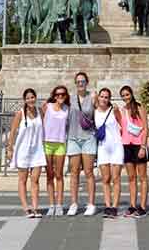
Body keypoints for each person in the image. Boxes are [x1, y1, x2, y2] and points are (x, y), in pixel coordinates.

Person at [6, 88, 45, 218]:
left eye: (32, 97)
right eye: (28, 98)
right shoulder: (20, 114)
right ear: (24, 100)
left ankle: (35, 207)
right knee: (23, 179)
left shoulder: (40, 111)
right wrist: (10, 148)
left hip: (37, 149)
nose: (30, 100)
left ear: (35, 98)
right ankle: (26, 207)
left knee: (35, 179)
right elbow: (12, 131)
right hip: (23, 150)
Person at [66, 71, 97, 216]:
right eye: (78, 81)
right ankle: (74, 203)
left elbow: (101, 111)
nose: (80, 84)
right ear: (75, 83)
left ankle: (91, 203)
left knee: (89, 172)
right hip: (73, 138)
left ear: (87, 82)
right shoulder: (70, 98)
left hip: (88, 138)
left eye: (83, 81)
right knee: (74, 172)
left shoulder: (93, 97)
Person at [119, 85, 149, 217]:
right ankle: (132, 205)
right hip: (126, 145)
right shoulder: (122, 110)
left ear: (131, 94)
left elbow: (146, 128)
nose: (126, 97)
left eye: (127, 94)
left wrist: (143, 146)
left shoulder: (139, 107)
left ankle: (142, 207)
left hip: (139, 145)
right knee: (131, 177)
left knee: (142, 177)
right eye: (123, 95)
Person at [94, 88, 123, 218]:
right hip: (103, 148)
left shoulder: (114, 110)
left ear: (109, 99)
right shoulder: (94, 112)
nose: (104, 99)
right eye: (102, 96)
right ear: (98, 98)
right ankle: (108, 205)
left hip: (116, 146)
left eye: (106, 97)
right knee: (105, 179)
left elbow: (122, 123)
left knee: (116, 178)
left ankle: (115, 207)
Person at [42, 85, 70, 216]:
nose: (60, 96)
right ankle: (51, 204)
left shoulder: (67, 109)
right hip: (47, 143)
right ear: (54, 96)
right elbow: (38, 121)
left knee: (59, 175)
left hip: (60, 144)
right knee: (49, 175)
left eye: (63, 94)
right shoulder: (47, 106)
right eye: (58, 94)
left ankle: (59, 204)